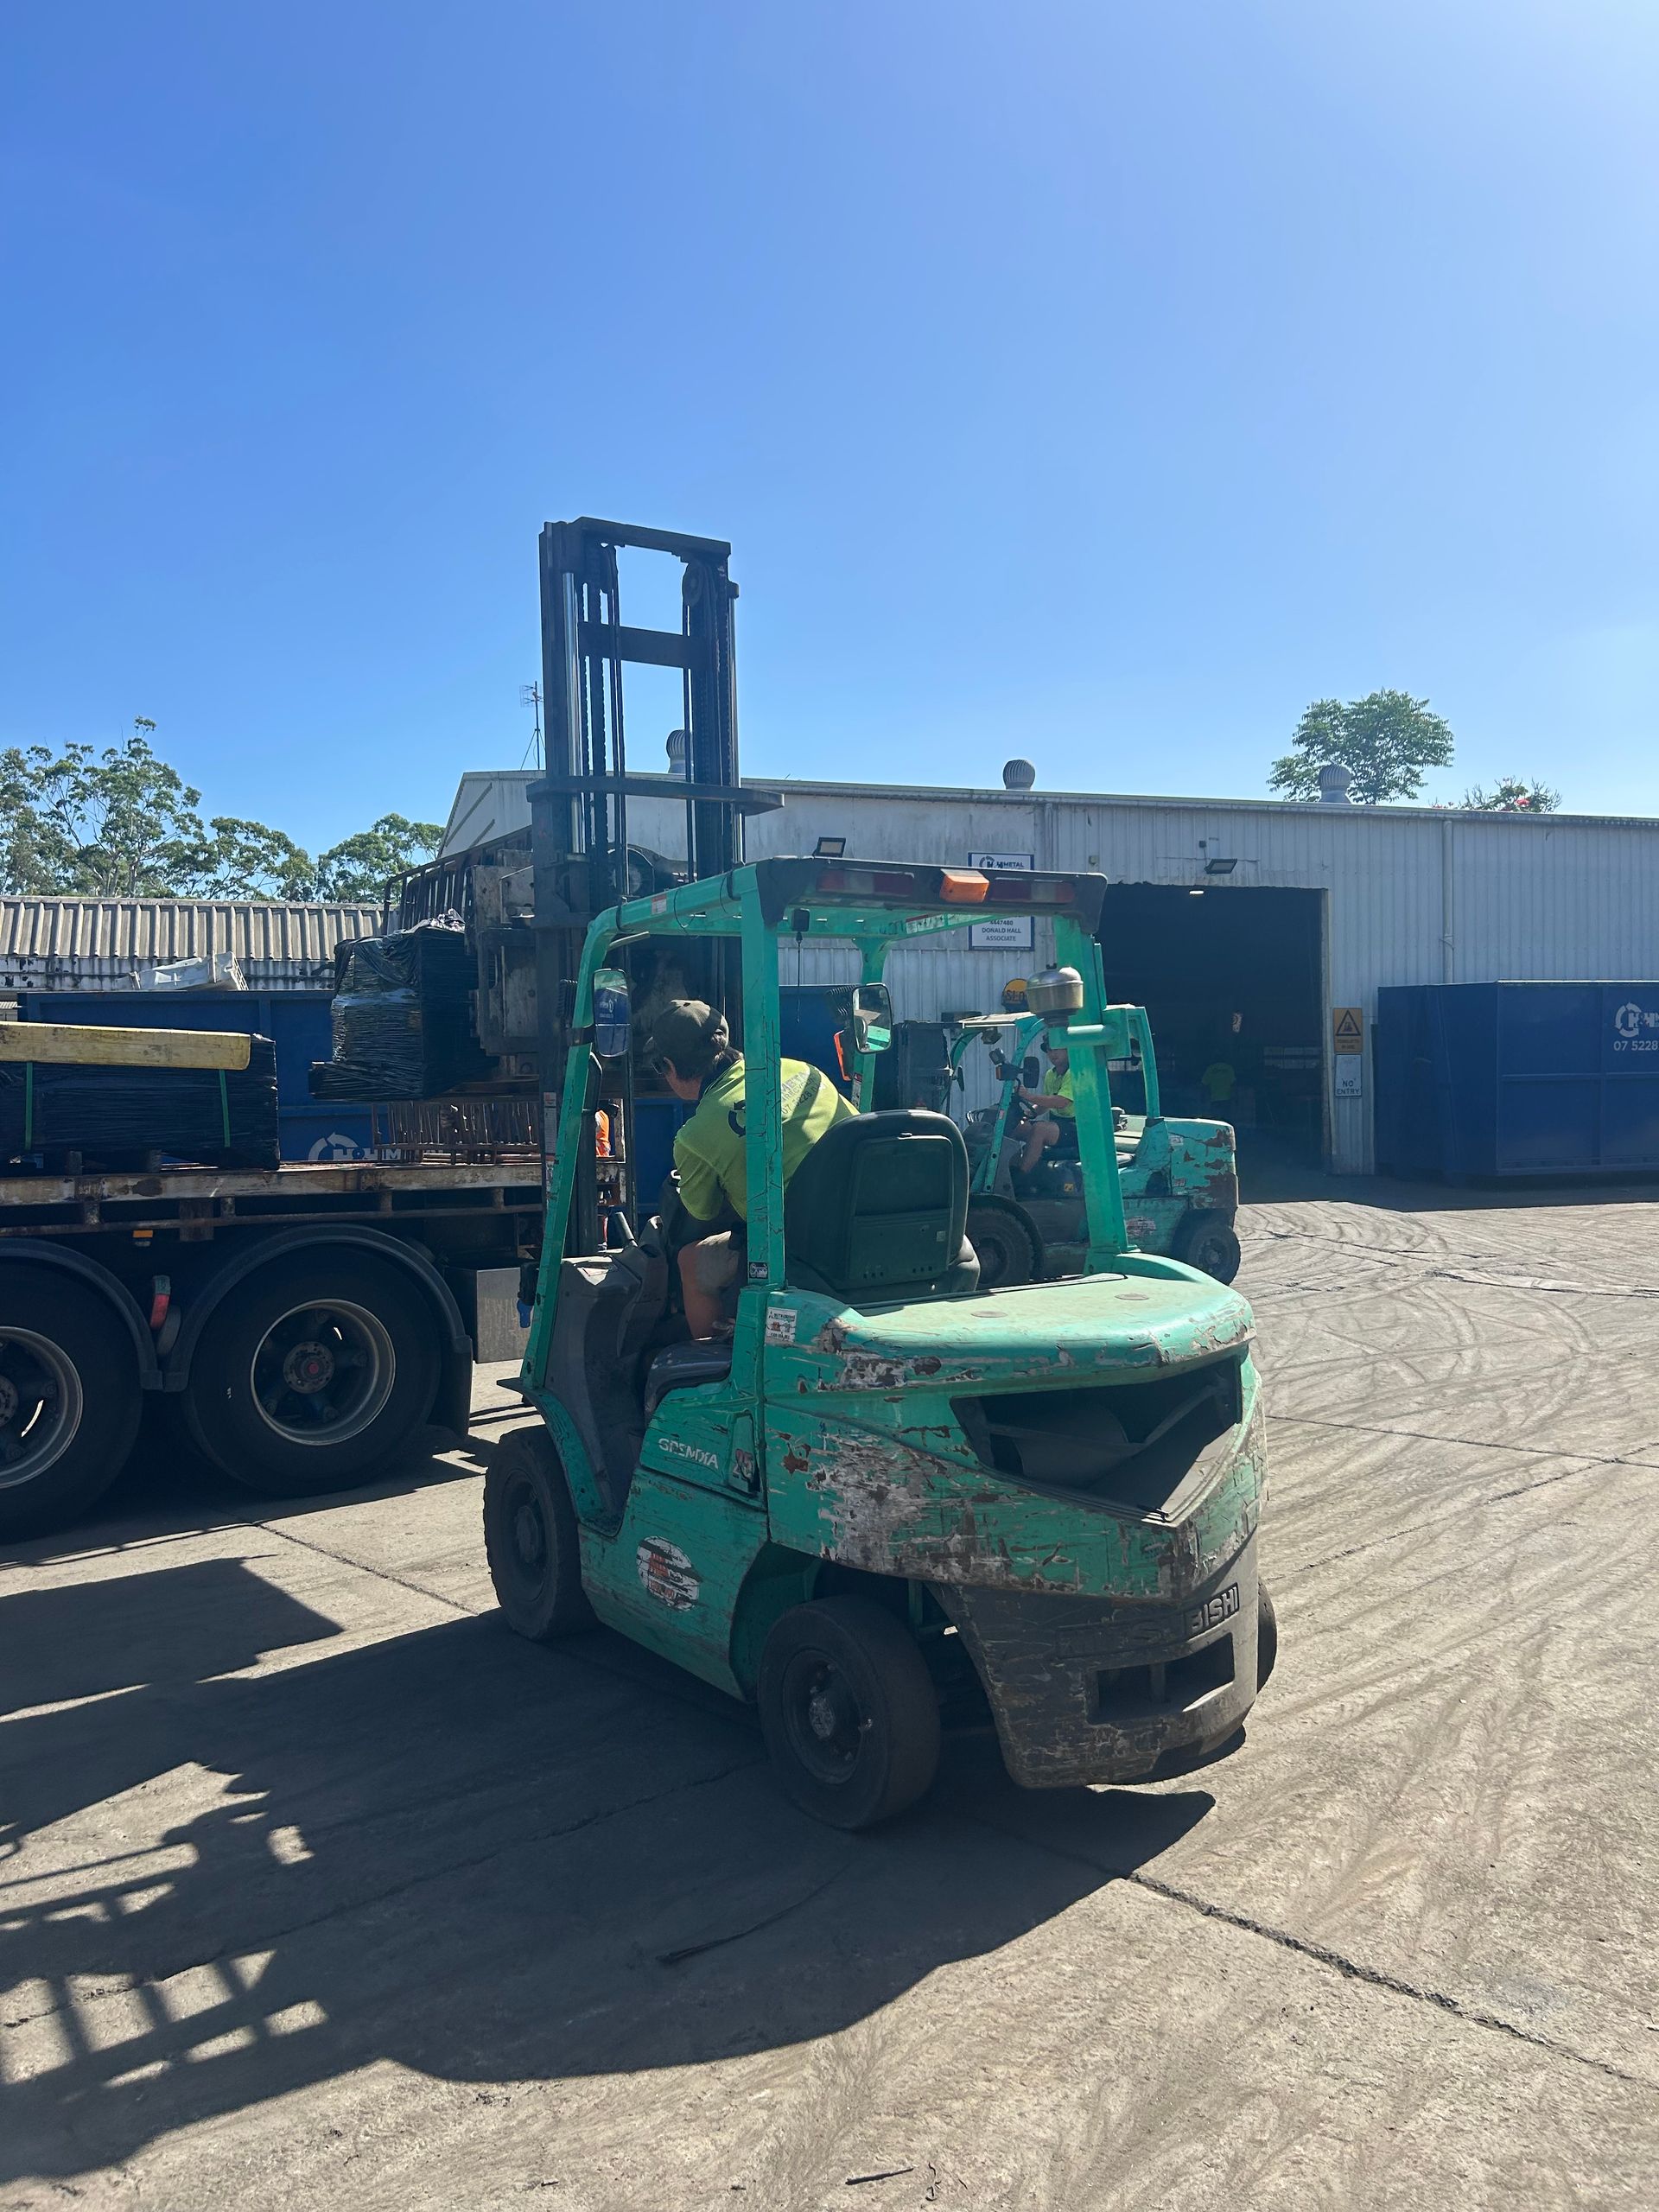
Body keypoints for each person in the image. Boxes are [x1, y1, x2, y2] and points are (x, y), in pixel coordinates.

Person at [646, 999, 856, 1338]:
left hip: (804, 1248)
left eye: (660, 1067)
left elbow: (701, 1211)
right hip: (862, 1219)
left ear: (669, 1065)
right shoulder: (799, 1070)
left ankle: (712, 1366)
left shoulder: (694, 1137)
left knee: (689, 1262)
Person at [1016, 1042, 1073, 1179]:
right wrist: (1028, 1114)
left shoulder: (1075, 1073)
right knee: (1018, 1127)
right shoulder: (1050, 1075)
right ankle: (1008, 1173)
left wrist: (1028, 1096)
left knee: (1040, 1129)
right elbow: (1046, 1104)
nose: (1053, 1054)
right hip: (1058, 1127)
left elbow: (1060, 1102)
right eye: (1049, 1050)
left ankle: (1021, 1178)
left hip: (1078, 1128)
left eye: (1057, 1049)